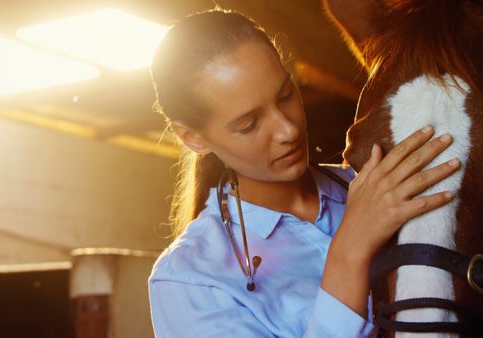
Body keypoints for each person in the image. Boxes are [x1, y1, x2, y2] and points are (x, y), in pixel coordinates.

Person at [147, 8, 460, 337]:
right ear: (193, 138)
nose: (288, 130)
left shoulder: (378, 186)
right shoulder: (188, 279)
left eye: (286, 95)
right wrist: (349, 251)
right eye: (249, 124)